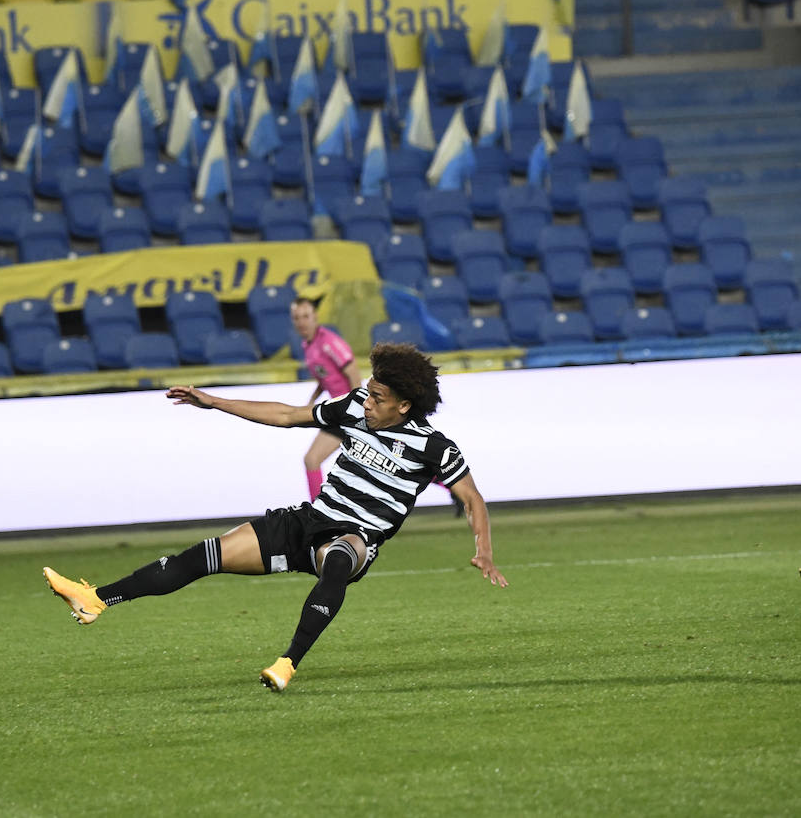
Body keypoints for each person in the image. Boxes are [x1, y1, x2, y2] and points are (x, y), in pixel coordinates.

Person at [43, 342, 508, 692]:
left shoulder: (434, 448)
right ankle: (97, 598)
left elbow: (472, 499)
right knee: (203, 556)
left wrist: (483, 550)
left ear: (404, 405)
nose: (366, 402)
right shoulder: (351, 411)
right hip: (307, 520)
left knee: (341, 558)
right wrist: (214, 402)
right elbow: (287, 415)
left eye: (377, 397)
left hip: (355, 535)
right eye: (367, 393)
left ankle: (287, 663)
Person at [290, 296, 361, 500]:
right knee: (390, 459)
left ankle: (316, 514)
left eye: (306, 316)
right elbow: (326, 377)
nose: (301, 321)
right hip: (339, 411)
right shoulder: (309, 345)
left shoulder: (329, 342)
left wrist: (356, 410)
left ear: (315, 317)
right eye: (297, 317)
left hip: (348, 413)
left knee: (312, 459)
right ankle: (452, 489)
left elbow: (353, 374)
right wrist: (312, 400)